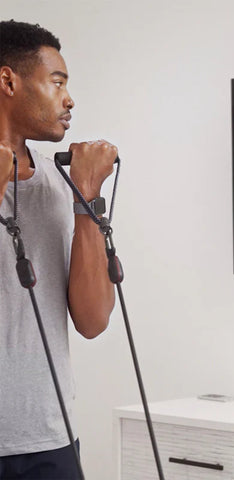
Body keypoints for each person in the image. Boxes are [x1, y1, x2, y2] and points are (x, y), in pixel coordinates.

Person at [0, 20, 117, 479]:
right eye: (57, 82)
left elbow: (92, 320)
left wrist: (85, 199)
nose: (68, 100)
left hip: (51, 437)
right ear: (8, 81)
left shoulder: (56, 181)